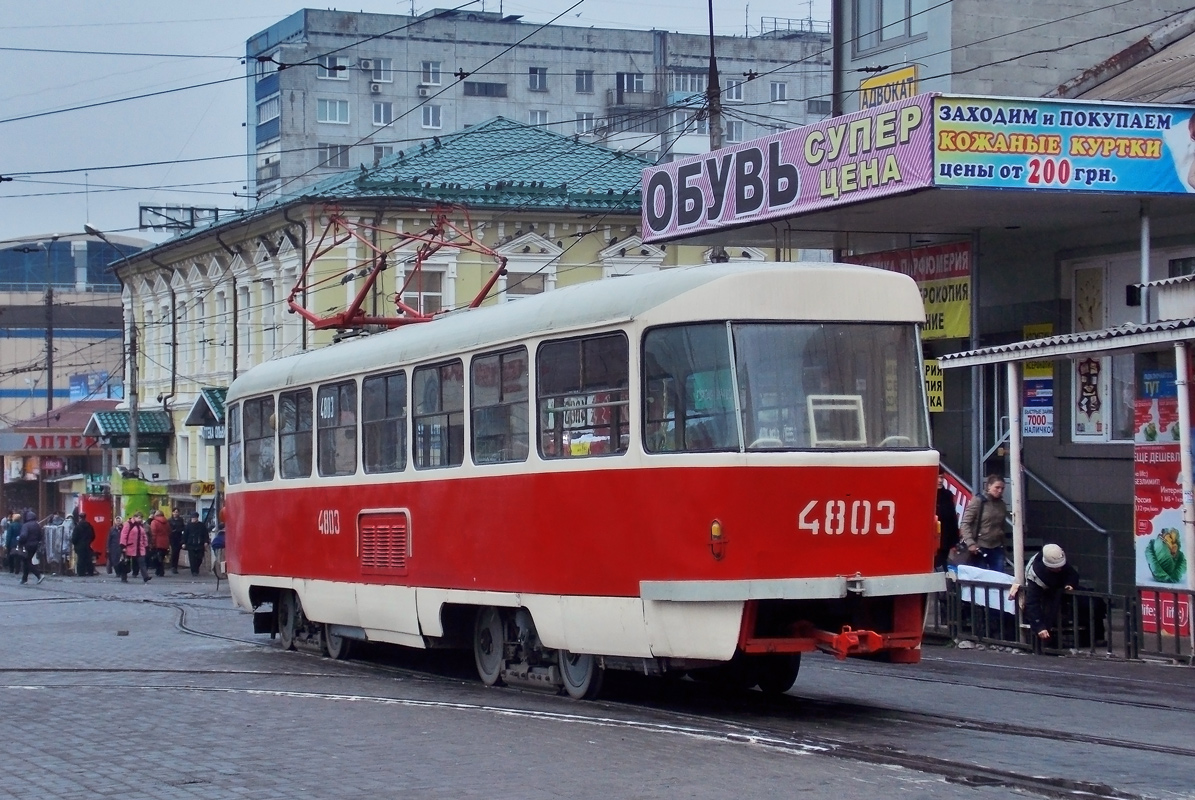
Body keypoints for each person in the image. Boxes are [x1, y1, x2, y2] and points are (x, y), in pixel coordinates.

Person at [1009, 544, 1080, 643]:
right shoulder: (1035, 577)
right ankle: (1045, 642)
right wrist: (1039, 627)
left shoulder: (1057, 561)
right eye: (1056, 567)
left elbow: (1072, 574)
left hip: (1056, 590)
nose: (1059, 569)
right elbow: (1032, 603)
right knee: (1047, 610)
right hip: (1046, 594)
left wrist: (1070, 583)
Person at [959, 474, 1009, 573]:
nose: (1000, 491)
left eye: (1002, 488)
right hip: (979, 546)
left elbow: (1002, 525)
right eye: (997, 487)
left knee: (999, 577)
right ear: (989, 486)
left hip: (997, 546)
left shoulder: (1002, 504)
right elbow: (965, 523)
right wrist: (970, 543)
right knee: (980, 578)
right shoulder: (978, 501)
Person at [934, 467, 960, 571]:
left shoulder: (947, 495)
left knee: (943, 566)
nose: (940, 480)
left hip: (945, 539)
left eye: (942, 477)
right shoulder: (926, 494)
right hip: (931, 540)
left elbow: (952, 517)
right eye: (938, 477)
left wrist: (955, 540)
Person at [119, 512, 152, 584]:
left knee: (142, 562)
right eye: (139, 517)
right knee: (126, 562)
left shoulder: (140, 526)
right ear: (134, 517)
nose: (140, 519)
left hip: (139, 547)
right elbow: (124, 534)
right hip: (129, 546)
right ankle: (123, 577)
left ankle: (145, 577)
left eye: (141, 518)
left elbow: (144, 536)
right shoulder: (128, 524)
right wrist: (123, 546)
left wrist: (146, 545)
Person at [17, 510, 44, 585]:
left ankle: (38, 575)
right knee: (27, 560)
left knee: (27, 561)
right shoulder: (37, 525)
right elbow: (40, 535)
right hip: (35, 545)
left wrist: (20, 542)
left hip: (27, 545)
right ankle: (24, 579)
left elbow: (23, 536)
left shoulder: (26, 525)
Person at [183, 512, 210, 577]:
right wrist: (183, 543)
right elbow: (185, 535)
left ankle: (197, 568)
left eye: (195, 518)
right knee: (192, 558)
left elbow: (205, 534)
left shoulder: (202, 525)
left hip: (199, 543)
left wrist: (206, 541)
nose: (193, 519)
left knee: (199, 557)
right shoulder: (188, 526)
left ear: (197, 518)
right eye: (192, 518)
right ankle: (193, 571)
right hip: (191, 544)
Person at [71, 512, 96, 577]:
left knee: (80, 559)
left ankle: (81, 573)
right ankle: (90, 572)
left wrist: (75, 543)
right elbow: (93, 536)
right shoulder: (89, 526)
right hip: (87, 545)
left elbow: (74, 538)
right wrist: (89, 541)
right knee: (88, 559)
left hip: (79, 546)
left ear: (79, 518)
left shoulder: (77, 527)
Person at [149, 510, 171, 577]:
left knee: (157, 558)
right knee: (161, 557)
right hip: (165, 542)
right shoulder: (167, 522)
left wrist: (152, 543)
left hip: (157, 542)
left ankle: (160, 571)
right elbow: (169, 531)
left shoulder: (154, 522)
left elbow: (153, 533)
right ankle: (160, 571)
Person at [168, 508, 185, 575]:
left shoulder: (181, 520)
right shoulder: (169, 520)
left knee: (177, 552)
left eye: (177, 512)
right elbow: (168, 529)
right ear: (172, 513)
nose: (176, 513)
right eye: (174, 512)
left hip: (179, 537)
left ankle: (175, 566)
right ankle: (173, 566)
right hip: (172, 538)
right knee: (174, 552)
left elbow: (183, 527)